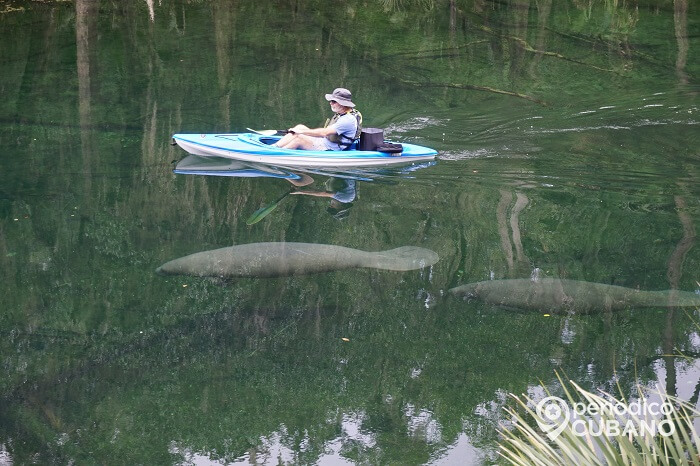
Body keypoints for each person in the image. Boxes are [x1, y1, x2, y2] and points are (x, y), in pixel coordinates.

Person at [273, 88, 362, 151]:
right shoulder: (344, 112)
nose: (330, 103)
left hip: (331, 148)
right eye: (331, 101)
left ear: (342, 104)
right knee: (300, 127)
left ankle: (275, 154)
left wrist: (301, 132)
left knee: (299, 138)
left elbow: (324, 133)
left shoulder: (347, 120)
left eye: (334, 101)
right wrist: (299, 130)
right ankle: (275, 147)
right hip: (326, 141)